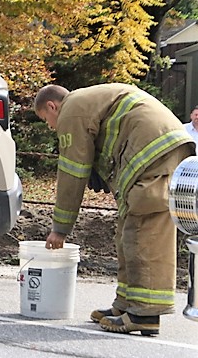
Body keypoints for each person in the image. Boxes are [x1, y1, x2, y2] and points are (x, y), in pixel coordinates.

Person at [34, 83, 194, 335]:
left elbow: (71, 172)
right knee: (127, 230)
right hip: (158, 144)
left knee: (144, 228)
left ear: (52, 106)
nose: (51, 127)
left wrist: (60, 229)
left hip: (152, 149)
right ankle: (126, 305)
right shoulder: (87, 101)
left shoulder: (71, 112)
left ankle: (145, 313)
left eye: (46, 119)